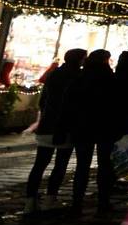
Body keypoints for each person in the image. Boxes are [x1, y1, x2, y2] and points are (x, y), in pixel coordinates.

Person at [24, 48, 85, 213]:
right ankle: (50, 199)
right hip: (66, 125)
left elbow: (43, 101)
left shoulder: (54, 74)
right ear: (79, 60)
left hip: (47, 123)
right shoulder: (78, 77)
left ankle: (29, 202)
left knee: (40, 164)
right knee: (60, 164)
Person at [62, 50, 119, 214]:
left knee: (82, 166)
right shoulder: (110, 79)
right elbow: (118, 105)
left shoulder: (80, 78)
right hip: (105, 127)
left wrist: (65, 126)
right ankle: (103, 202)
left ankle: (77, 203)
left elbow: (68, 104)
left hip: (82, 127)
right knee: (105, 165)